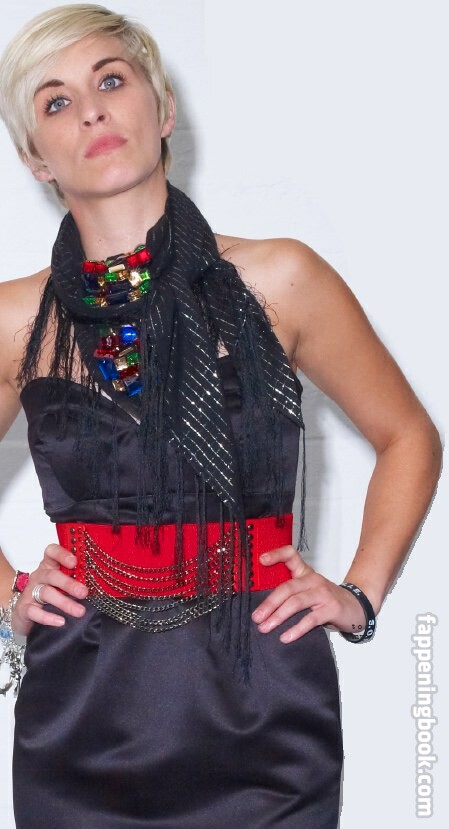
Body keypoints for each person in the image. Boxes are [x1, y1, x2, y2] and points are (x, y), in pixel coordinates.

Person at [0, 4, 442, 828]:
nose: (91, 110)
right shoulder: (15, 319)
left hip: (262, 706)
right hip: (83, 713)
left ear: (163, 108)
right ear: (34, 157)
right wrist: (10, 594)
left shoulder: (282, 278)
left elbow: (407, 434)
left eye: (111, 80)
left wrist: (359, 593)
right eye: (55, 102)